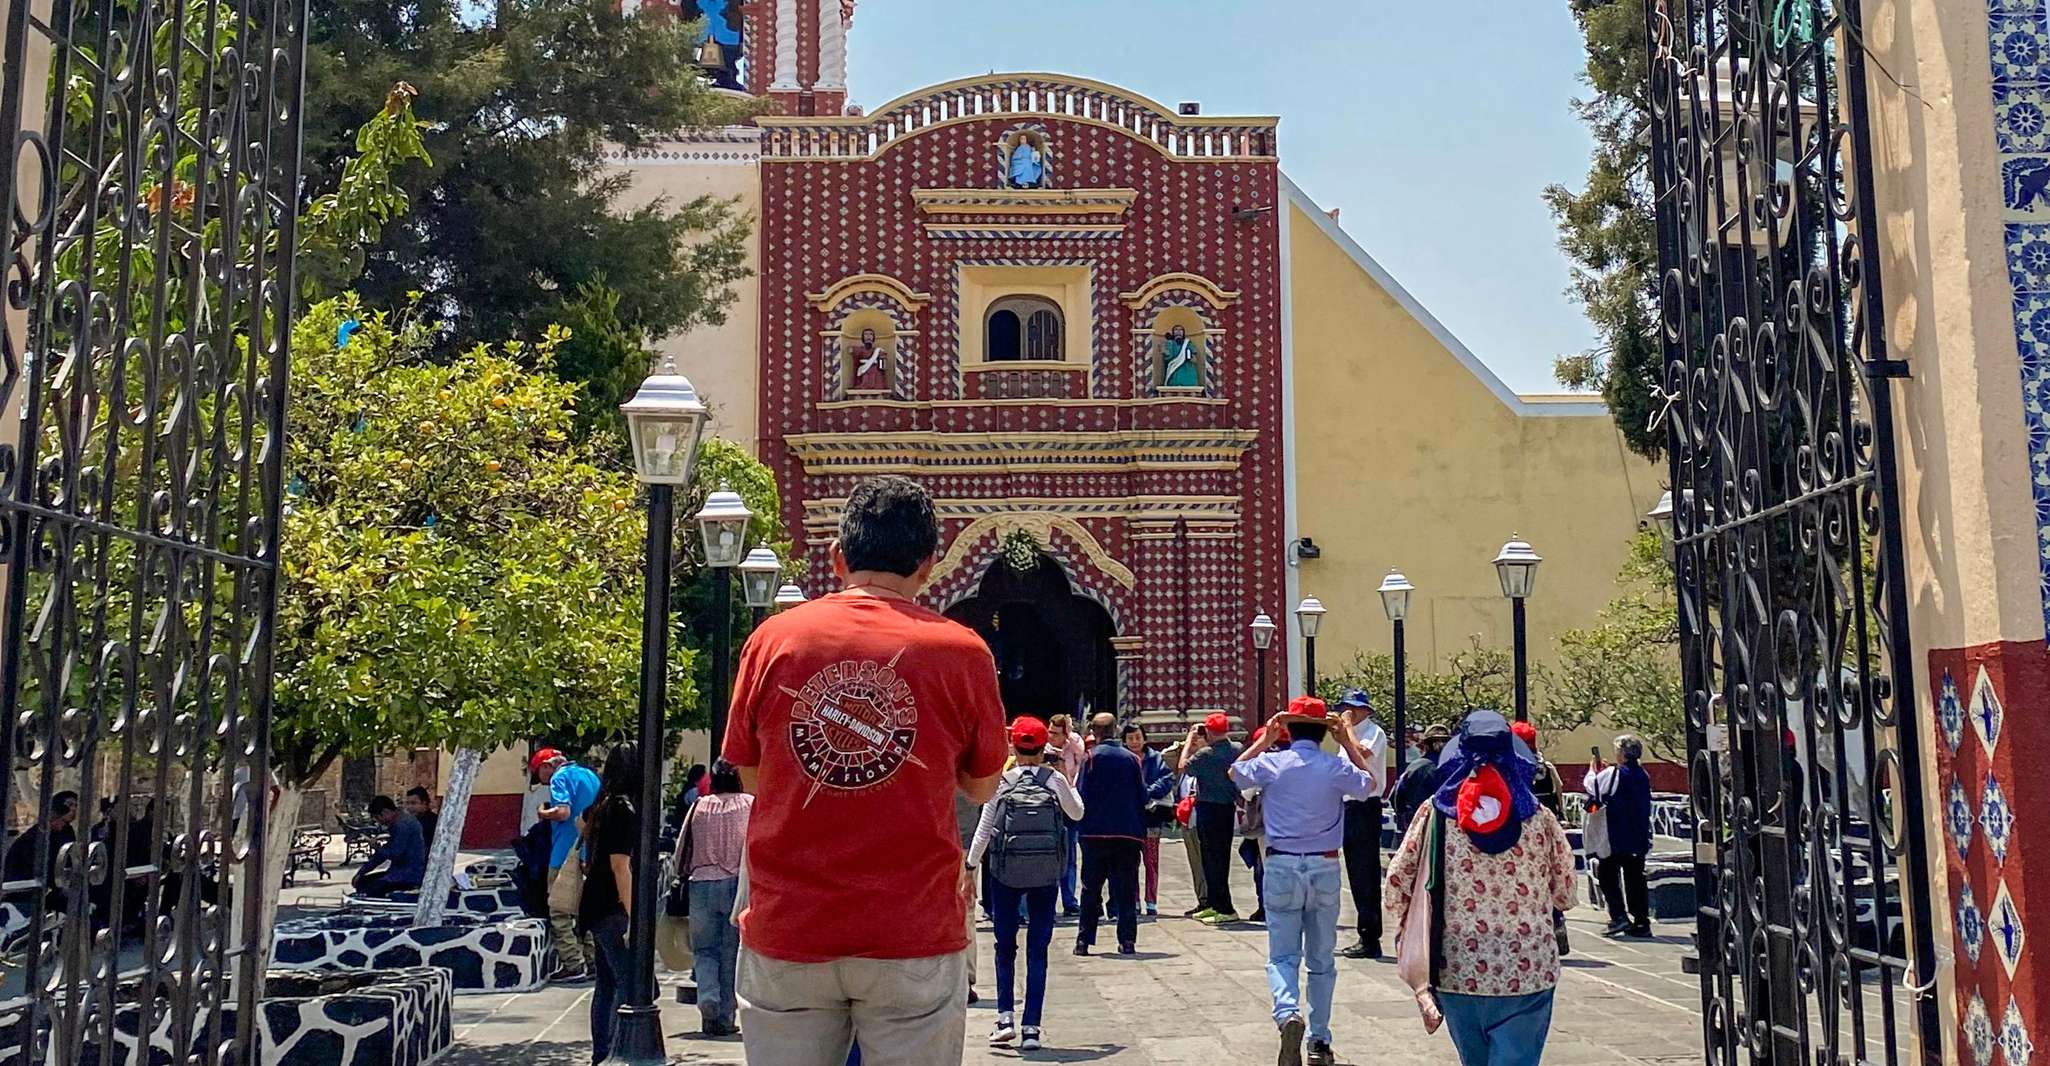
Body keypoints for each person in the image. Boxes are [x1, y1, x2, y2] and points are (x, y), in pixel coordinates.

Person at [722, 475, 1008, 1066]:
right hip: (913, 930)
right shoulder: (963, 652)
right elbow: (982, 786)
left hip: (790, 928)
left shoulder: (773, 639)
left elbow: (752, 774)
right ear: (930, 564)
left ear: (837, 557)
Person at [1387, 710, 1577, 1066]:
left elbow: (1396, 885)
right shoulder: (1539, 818)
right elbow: (1565, 891)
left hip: (1459, 968)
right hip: (1528, 968)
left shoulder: (1435, 815)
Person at [1230, 698, 1378, 1066]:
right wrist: (1345, 742)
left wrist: (1266, 738)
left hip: (1281, 865)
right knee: (1321, 960)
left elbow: (1235, 772)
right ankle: (1319, 1040)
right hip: (1325, 865)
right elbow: (1369, 785)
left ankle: (1287, 1013)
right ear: (1323, 731)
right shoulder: (1333, 767)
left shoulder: (1272, 764)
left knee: (1282, 955)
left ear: (1289, 730)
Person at [967, 716, 1084, 1052]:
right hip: (1046, 875)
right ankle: (1031, 1026)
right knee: (1038, 951)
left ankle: (1004, 1018)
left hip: (1005, 876)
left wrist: (970, 866)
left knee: (1004, 947)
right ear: (1043, 747)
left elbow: (985, 828)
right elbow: (1077, 814)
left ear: (1014, 747)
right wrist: (1065, 780)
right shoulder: (1054, 780)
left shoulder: (1003, 781)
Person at [679, 760, 752, 1037]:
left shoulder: (700, 806)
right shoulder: (749, 804)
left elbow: (683, 846)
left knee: (704, 950)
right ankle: (725, 1015)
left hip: (701, 884)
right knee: (731, 952)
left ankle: (707, 997)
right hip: (736, 884)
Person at [580, 743, 642, 1065]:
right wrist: (634, 916)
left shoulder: (602, 805)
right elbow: (621, 866)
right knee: (628, 982)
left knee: (605, 983)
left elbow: (582, 823)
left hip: (595, 903)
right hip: (611, 906)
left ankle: (601, 1052)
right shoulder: (623, 810)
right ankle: (618, 1050)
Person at [1073, 712, 1147, 956]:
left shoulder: (1091, 758)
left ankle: (1083, 941)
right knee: (1126, 889)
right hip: (1127, 834)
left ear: (1094, 731)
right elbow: (1142, 796)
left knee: (1090, 889)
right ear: (1115, 730)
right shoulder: (1132, 759)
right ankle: (1127, 941)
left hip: (1095, 834)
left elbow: (1081, 794)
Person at [535, 747, 602, 981]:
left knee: (559, 909)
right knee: (585, 910)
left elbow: (563, 812)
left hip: (564, 852)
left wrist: (543, 812)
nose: (541, 780)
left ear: (547, 766)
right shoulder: (590, 775)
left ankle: (573, 964)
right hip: (589, 850)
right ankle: (592, 960)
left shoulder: (559, 778)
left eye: (539, 773)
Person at [1334, 691, 1389, 959]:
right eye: (1345, 708)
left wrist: (1346, 732)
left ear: (1365, 710)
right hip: (1348, 806)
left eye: (1353, 708)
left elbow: (1363, 754)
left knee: (1365, 872)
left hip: (1365, 806)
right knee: (1355, 872)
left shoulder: (1373, 732)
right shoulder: (1346, 738)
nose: (1349, 713)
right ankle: (1365, 932)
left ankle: (1370, 936)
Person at [1511, 720, 1572, 957]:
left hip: (1525, 834)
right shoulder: (1546, 766)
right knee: (1549, 881)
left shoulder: (1517, 768)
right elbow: (1559, 795)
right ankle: (1557, 921)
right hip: (1548, 833)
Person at [1584, 734, 1654, 938]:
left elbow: (1593, 787)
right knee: (1635, 878)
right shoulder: (1642, 774)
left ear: (1622, 754)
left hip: (1614, 833)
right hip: (1637, 832)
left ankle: (1618, 916)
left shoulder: (1615, 773)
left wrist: (1592, 771)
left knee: (1608, 875)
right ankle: (1641, 921)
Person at [1178, 712, 1243, 923]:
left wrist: (1189, 740)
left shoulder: (1206, 754)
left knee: (1211, 858)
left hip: (1208, 807)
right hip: (1227, 808)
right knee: (1219, 858)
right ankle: (1216, 903)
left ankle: (1224, 907)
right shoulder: (1236, 749)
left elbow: (1182, 766)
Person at [1124, 723, 1174, 917]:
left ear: (1144, 738)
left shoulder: (1155, 758)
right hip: (1130, 817)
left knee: (1151, 861)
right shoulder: (1123, 759)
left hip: (1152, 817)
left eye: (1138, 737)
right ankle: (1134, 899)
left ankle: (1151, 900)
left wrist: (1146, 792)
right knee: (1130, 862)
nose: (1135, 742)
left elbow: (1167, 779)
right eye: (1130, 738)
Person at [3, 790, 78, 909]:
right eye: (69, 805)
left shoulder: (66, 832)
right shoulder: (33, 837)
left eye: (75, 806)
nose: (73, 810)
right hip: (26, 892)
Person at [1044, 713, 1084, 915]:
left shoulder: (1074, 745)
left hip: (1068, 803)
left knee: (1069, 854)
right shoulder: (1044, 749)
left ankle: (1070, 900)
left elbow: (1082, 755)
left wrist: (1068, 738)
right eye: (1050, 732)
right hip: (1049, 805)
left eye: (1056, 733)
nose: (1051, 737)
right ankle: (1047, 900)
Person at [351, 795, 425, 898]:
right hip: (397, 872)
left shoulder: (403, 825)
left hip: (408, 874)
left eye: (378, 818)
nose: (379, 822)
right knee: (363, 882)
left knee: (372, 889)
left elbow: (395, 853)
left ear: (385, 812)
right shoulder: (397, 824)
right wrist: (362, 872)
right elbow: (382, 856)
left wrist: (377, 848)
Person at [1390, 723, 1452, 830]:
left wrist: (1405, 819)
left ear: (1425, 745)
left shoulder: (1414, 766)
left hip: (1417, 824)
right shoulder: (1456, 768)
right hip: (1446, 826)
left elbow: (1395, 797)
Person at [404, 787, 439, 853]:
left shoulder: (433, 821)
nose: (409, 807)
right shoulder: (409, 821)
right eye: (407, 803)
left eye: (413, 803)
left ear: (424, 803)